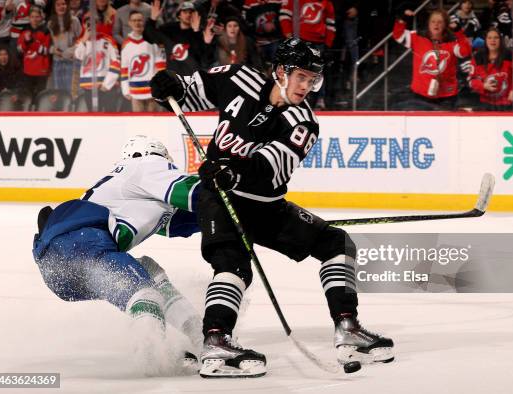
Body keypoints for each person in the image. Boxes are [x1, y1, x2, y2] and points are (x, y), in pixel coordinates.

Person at [150, 37, 394, 378]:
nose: (307, 86)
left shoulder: (303, 121)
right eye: (302, 77)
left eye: (313, 80)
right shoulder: (238, 79)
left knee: (335, 243)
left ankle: (347, 327)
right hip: (221, 201)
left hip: (267, 208)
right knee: (233, 267)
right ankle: (217, 339)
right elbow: (186, 93)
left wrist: (232, 170)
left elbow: (270, 169)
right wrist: (168, 84)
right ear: (281, 71)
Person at [32, 135, 203, 371]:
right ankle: (153, 356)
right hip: (84, 241)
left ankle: (199, 334)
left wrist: (221, 215)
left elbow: (181, 223)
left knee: (149, 271)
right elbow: (194, 193)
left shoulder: (124, 190)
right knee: (144, 294)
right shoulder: (145, 165)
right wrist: (232, 189)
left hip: (56, 270)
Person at [393, 9, 471, 110]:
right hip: (421, 94)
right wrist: (403, 20)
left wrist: (459, 31)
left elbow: (465, 52)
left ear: (445, 25)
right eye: (433, 21)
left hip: (447, 95)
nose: (436, 24)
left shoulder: (453, 42)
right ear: (428, 24)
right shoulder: (417, 38)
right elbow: (398, 35)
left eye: (440, 22)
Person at [144, 0, 215, 76]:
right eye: (185, 12)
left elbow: (206, 61)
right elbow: (149, 38)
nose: (188, 15)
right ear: (179, 15)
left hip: (193, 80)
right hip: (174, 79)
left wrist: (198, 34)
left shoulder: (201, 33)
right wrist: (152, 20)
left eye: (191, 12)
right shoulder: (169, 29)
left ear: (196, 15)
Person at [121, 11, 166, 112]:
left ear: (144, 22)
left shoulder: (153, 40)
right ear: (129, 23)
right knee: (138, 124)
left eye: (140, 20)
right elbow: (124, 69)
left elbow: (161, 64)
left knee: (155, 122)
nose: (137, 23)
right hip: (135, 92)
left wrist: (162, 86)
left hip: (153, 91)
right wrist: (125, 89)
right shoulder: (126, 44)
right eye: (134, 20)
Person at [74, 21, 121, 111]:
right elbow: (79, 56)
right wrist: (84, 40)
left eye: (93, 23)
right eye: (87, 23)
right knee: (93, 118)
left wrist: (107, 84)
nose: (90, 26)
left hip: (107, 87)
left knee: (110, 116)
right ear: (83, 25)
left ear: (98, 24)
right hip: (88, 86)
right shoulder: (81, 41)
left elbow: (116, 62)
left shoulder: (108, 40)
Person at [469, 27, 513, 111]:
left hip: (506, 103)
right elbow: (471, 80)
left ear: (501, 40)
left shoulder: (510, 55)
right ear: (485, 40)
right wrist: (483, 86)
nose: (492, 40)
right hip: (485, 104)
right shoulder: (478, 57)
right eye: (489, 38)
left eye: (496, 38)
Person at [17, 5, 52, 102]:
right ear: (29, 18)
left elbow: (45, 51)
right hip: (28, 70)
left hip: (42, 70)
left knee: (41, 99)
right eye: (32, 17)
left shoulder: (45, 31)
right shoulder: (24, 31)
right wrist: (26, 42)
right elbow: (20, 50)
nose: (35, 19)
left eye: (37, 17)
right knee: (28, 98)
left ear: (41, 17)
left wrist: (31, 42)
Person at [48, 0, 82, 93]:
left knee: (73, 92)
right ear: (54, 7)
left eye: (63, 4)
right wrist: (53, 50)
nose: (61, 7)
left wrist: (69, 52)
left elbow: (81, 41)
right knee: (59, 92)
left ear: (67, 5)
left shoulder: (74, 20)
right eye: (58, 5)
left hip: (72, 62)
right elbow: (48, 44)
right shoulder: (50, 23)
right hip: (57, 62)